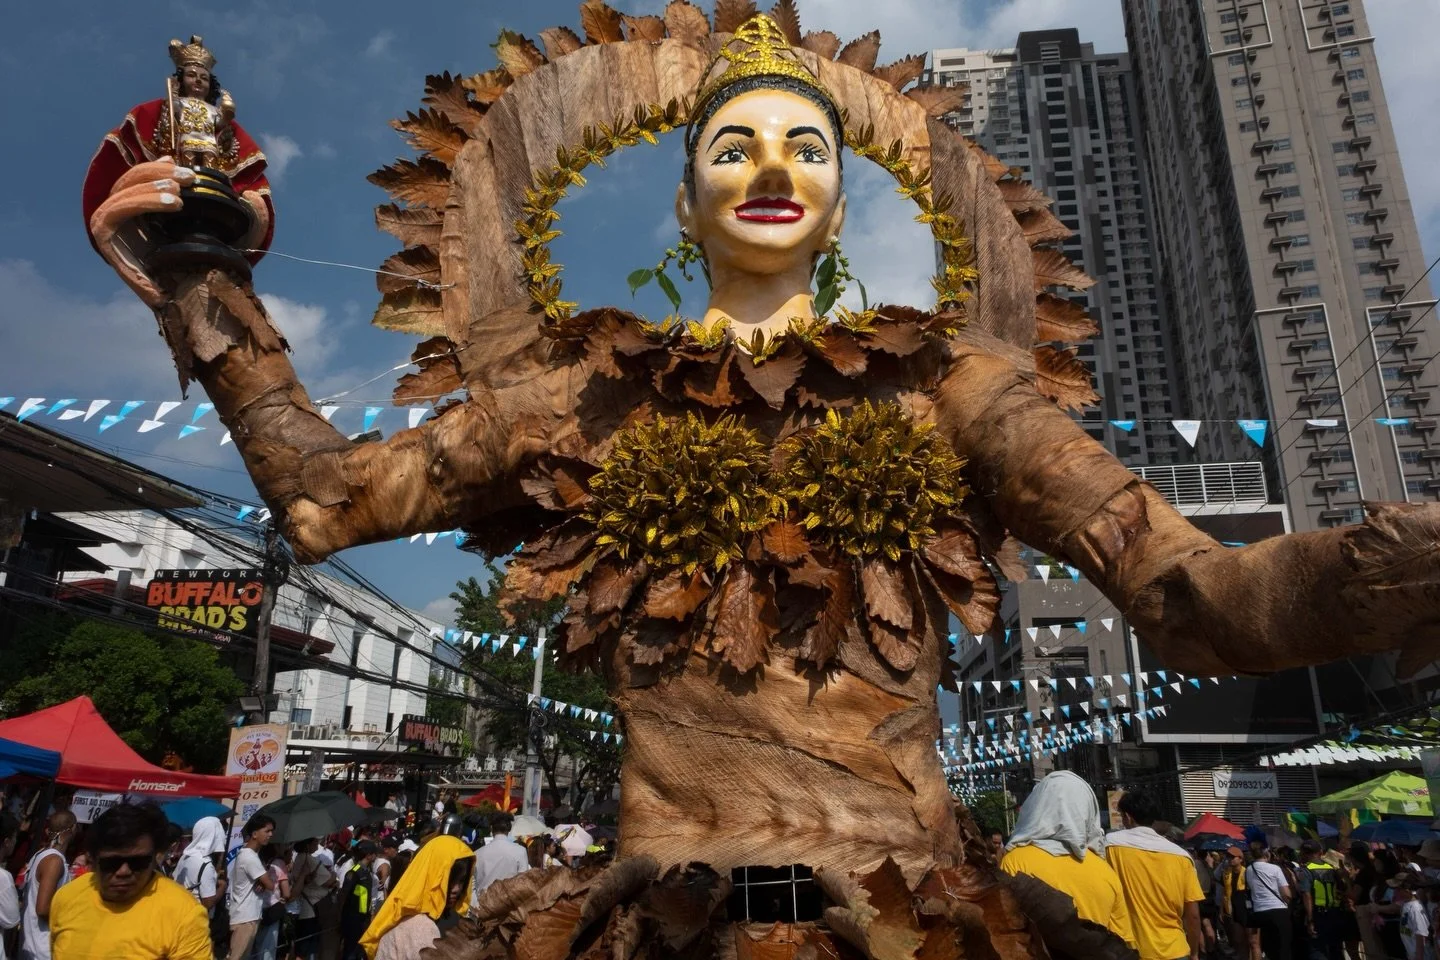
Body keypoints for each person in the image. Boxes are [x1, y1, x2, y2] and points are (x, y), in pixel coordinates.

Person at [46, 802, 211, 959]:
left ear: (154, 858)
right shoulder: (66, 897)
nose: (124, 871)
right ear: (92, 860)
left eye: (137, 863)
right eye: (112, 863)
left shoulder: (184, 912)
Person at [997, 771, 1135, 947]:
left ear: (1036, 809)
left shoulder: (1014, 861)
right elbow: (1124, 943)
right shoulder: (1105, 873)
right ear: (1087, 812)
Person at [1106, 790, 1203, 960]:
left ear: (1128, 817)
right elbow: (1193, 915)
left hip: (1131, 951)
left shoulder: (1110, 846)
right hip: (1176, 950)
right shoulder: (1181, 856)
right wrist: (1194, 953)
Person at [360, 836, 475, 959]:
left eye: (462, 880)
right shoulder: (421, 927)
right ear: (432, 875)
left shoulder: (444, 917)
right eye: (450, 880)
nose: (456, 889)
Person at [20, 810, 76, 960]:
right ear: (73, 829)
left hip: (33, 945)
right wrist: (73, 917)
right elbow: (43, 909)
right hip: (42, 948)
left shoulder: (40, 854)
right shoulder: (54, 861)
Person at [225, 813, 275, 959]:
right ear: (254, 834)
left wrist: (263, 883)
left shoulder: (250, 855)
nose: (270, 835)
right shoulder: (249, 857)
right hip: (245, 918)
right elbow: (270, 885)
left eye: (271, 831)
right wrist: (265, 882)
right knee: (237, 957)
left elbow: (264, 883)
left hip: (248, 915)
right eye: (267, 831)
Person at [1295, 840, 1344, 960]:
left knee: (1317, 950)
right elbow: (1342, 889)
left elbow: (1307, 895)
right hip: (1334, 913)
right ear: (1320, 852)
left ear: (1303, 854)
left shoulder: (1305, 870)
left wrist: (1310, 920)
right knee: (1336, 950)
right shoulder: (1331, 868)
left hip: (1318, 915)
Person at [470, 814, 530, 908]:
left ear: (491, 829)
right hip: (509, 908)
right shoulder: (520, 851)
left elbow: (471, 886)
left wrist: (476, 908)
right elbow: (523, 883)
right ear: (509, 829)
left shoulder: (477, 853)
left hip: (483, 907)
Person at [289, 838, 335, 960]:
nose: (317, 844)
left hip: (304, 907)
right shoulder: (309, 859)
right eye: (314, 842)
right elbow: (329, 880)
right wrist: (334, 875)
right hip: (311, 909)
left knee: (301, 947)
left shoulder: (298, 857)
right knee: (306, 947)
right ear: (307, 845)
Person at [171, 816, 227, 915]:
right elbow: (208, 903)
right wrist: (222, 886)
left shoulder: (186, 856)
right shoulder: (205, 865)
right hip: (197, 919)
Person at [1244, 846, 1292, 960]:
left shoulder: (1248, 870)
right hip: (1278, 910)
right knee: (1283, 947)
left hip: (1258, 912)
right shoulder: (1275, 868)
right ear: (1267, 855)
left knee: (1266, 946)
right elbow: (1286, 893)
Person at [338, 840, 378, 960]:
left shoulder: (367, 872)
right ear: (369, 855)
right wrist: (339, 915)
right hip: (352, 917)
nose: (375, 856)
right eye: (374, 853)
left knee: (359, 950)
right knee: (350, 949)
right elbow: (343, 894)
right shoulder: (354, 872)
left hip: (362, 917)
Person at [252, 844, 291, 960]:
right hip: (272, 910)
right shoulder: (279, 863)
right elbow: (287, 893)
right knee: (267, 949)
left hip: (255, 909)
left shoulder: (255, 861)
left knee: (253, 947)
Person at [0, 813, 22, 960]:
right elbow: (11, 920)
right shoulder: (3, 878)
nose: (15, 842)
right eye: (15, 837)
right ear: (7, 841)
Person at [1392, 873, 1429, 960]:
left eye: (1399, 889)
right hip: (1412, 954)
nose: (1396, 891)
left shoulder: (1415, 908)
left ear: (1408, 890)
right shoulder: (1406, 904)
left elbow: (1421, 935)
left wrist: (1419, 957)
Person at [373, 836, 399, 910]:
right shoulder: (385, 866)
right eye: (395, 848)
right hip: (381, 901)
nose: (397, 850)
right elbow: (385, 887)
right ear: (386, 850)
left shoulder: (378, 859)